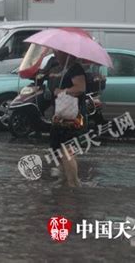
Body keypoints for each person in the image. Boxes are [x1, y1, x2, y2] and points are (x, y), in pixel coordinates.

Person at [48, 50, 87, 188]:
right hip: (59, 114)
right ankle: (65, 180)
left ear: (67, 53)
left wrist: (63, 91)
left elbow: (80, 88)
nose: (55, 53)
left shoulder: (76, 69)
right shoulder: (55, 67)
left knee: (68, 149)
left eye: (58, 52)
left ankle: (73, 183)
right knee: (57, 149)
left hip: (73, 115)